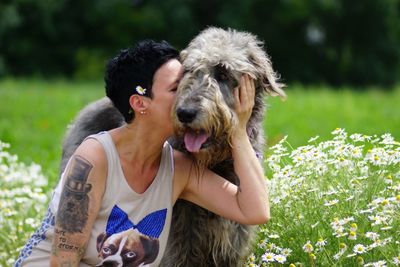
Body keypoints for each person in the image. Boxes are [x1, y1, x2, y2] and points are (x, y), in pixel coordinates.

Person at [15, 40, 269, 267]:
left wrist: (238, 128)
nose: (186, 101)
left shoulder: (178, 168)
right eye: (176, 89)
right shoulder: (92, 158)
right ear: (140, 103)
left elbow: (256, 211)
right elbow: (62, 263)